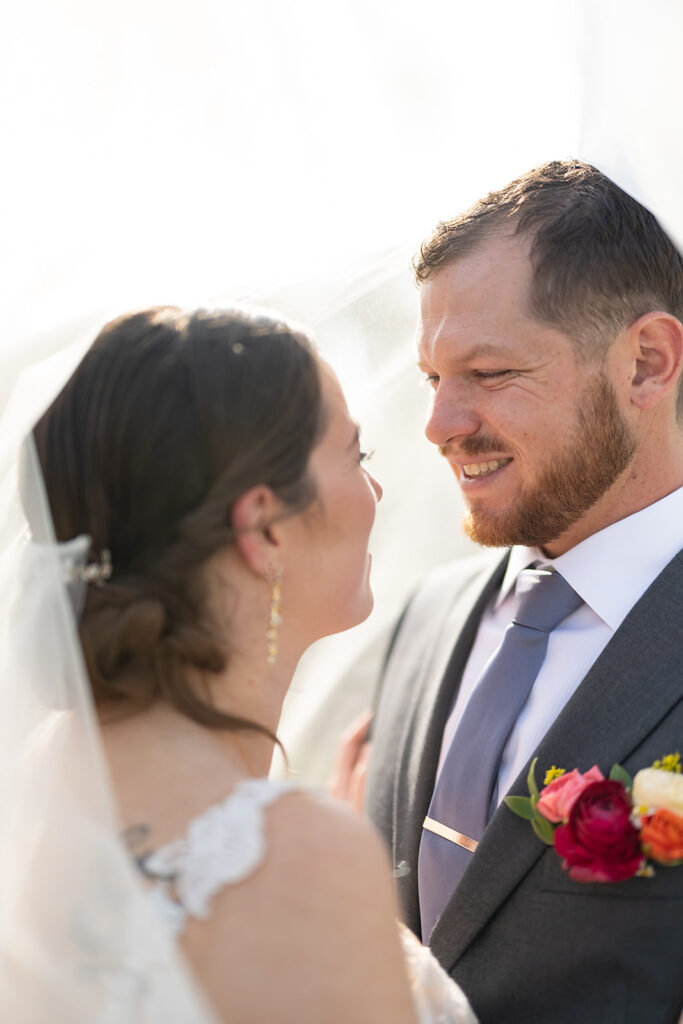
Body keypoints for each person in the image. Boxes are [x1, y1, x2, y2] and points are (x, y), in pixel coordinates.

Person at [3, 305, 476, 1022]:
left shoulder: (46, 771)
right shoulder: (295, 857)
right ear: (263, 528)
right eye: (355, 457)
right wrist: (306, 844)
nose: (375, 492)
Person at [364, 160, 683, 1024]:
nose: (439, 426)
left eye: (490, 373)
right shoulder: (419, 625)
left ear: (647, 364)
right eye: (434, 378)